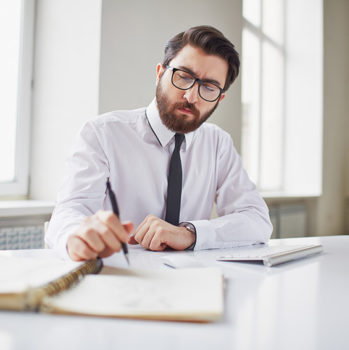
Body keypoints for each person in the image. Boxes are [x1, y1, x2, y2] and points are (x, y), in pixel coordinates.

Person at [46, 25, 272, 261]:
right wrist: (78, 238)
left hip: (191, 282)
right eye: (183, 76)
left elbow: (257, 220)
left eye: (208, 87)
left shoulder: (218, 143)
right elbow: (68, 212)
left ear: (220, 98)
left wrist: (190, 233)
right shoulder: (102, 133)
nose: (191, 96)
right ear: (159, 73)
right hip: (118, 277)